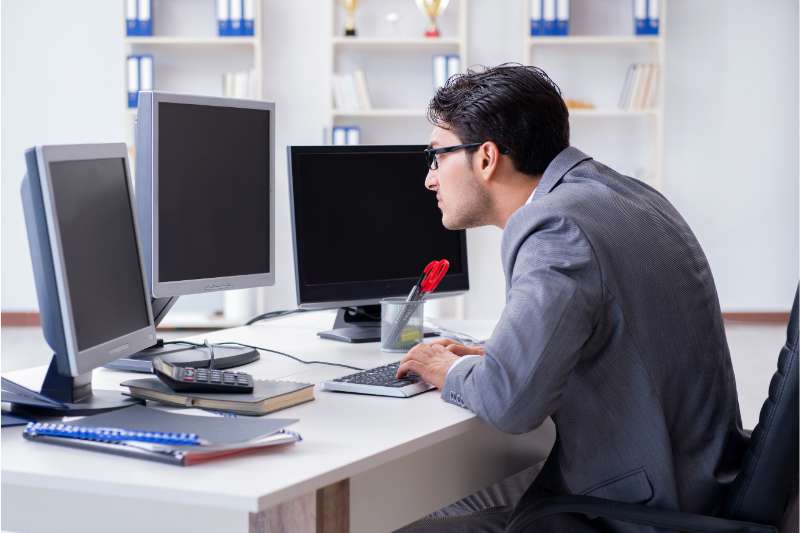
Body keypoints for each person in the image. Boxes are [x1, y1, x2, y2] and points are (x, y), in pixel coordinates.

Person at [396, 64, 748, 532]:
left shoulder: (552, 226)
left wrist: (445, 367)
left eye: (437, 157)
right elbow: (618, 333)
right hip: (702, 482)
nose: (430, 179)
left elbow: (509, 403)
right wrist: (500, 357)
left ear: (485, 158)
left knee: (402, 517)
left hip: (638, 509)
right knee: (446, 491)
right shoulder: (627, 195)